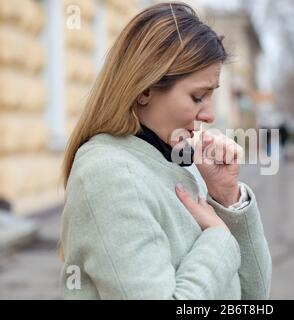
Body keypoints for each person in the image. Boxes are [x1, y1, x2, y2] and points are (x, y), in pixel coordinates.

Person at [59, 2, 271, 300]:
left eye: (211, 96)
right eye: (198, 96)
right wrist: (219, 238)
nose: (209, 115)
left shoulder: (178, 161)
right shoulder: (107, 175)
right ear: (145, 89)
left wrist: (227, 198)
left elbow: (254, 296)